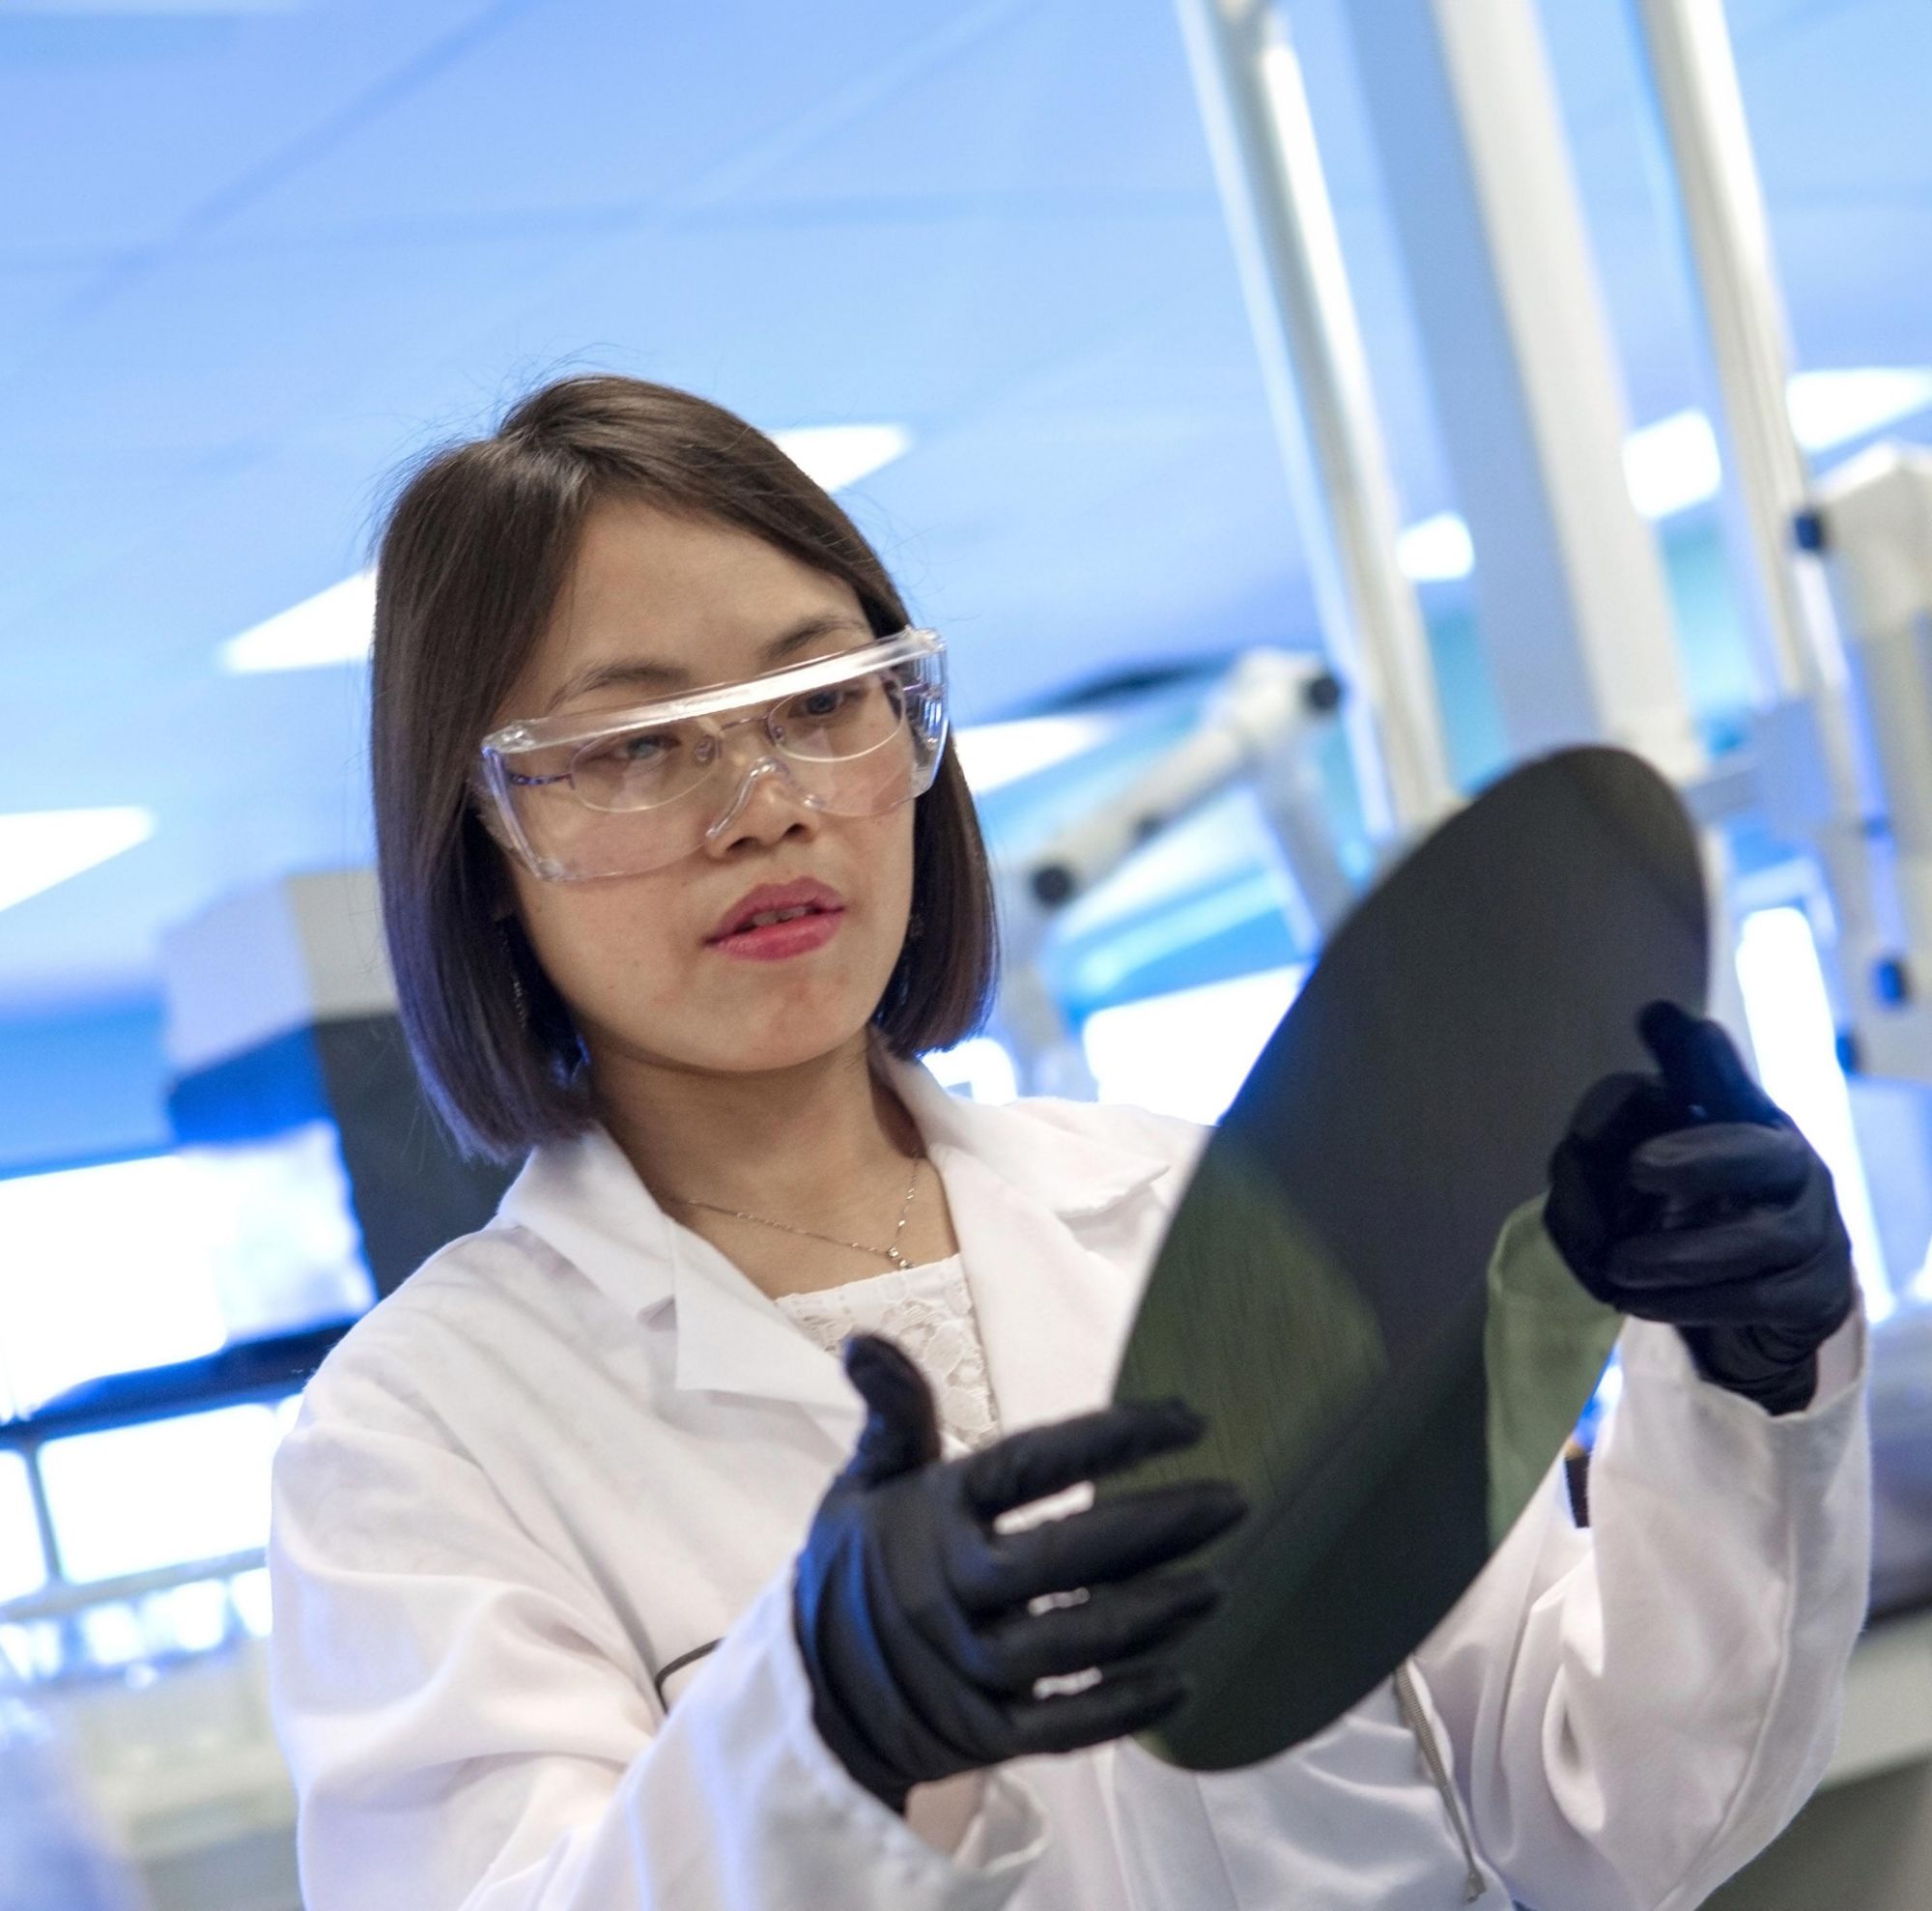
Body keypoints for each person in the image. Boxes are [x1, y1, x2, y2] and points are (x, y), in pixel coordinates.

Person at [268, 374, 1869, 1910]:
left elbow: (1608, 1812)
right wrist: (822, 1729)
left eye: (820, 701)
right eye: (636, 745)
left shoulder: (1196, 1208)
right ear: (481, 849)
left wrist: (1750, 1383)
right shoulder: (423, 1437)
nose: (764, 803)